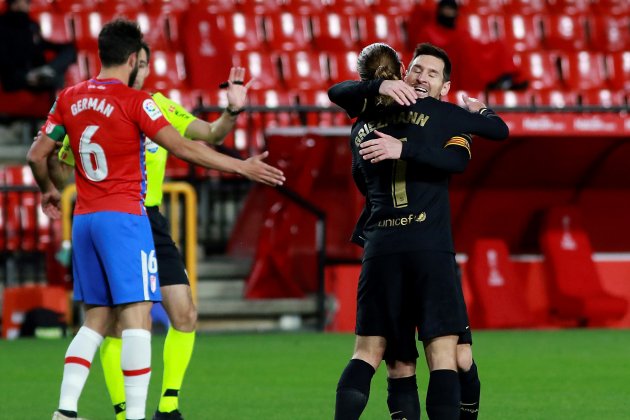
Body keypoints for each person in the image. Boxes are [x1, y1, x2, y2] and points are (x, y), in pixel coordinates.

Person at [27, 18, 284, 420]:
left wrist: (49, 191)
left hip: (93, 218)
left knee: (107, 317)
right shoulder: (137, 104)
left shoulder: (72, 98)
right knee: (135, 319)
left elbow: (38, 155)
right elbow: (185, 147)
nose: (143, 70)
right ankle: (130, 414)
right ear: (133, 60)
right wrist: (241, 167)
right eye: (141, 63)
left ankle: (71, 410)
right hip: (127, 217)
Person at [328, 42, 509, 420]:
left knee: (376, 356)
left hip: (380, 246)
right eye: (417, 69)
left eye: (432, 73)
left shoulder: (361, 125)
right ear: (401, 75)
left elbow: (338, 95)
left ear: (444, 85)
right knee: (441, 356)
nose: (422, 76)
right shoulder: (443, 116)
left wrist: (378, 99)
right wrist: (479, 111)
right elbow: (496, 131)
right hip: (428, 246)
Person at [407, 0, 526, 92]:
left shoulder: (460, 31)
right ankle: (490, 82)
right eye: (446, 9)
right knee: (465, 46)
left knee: (498, 45)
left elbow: (474, 45)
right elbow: (424, 53)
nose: (449, 13)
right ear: (439, 10)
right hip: (451, 62)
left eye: (452, 10)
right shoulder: (428, 31)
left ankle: (500, 80)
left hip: (467, 59)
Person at [0, 0, 76, 94]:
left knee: (69, 50)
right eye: (25, 2)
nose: (28, 4)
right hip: (18, 76)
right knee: (58, 79)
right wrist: (27, 74)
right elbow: (4, 58)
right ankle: (43, 74)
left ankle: (45, 71)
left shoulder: (31, 24)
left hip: (37, 69)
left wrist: (62, 47)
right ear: (14, 4)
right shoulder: (2, 25)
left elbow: (40, 44)